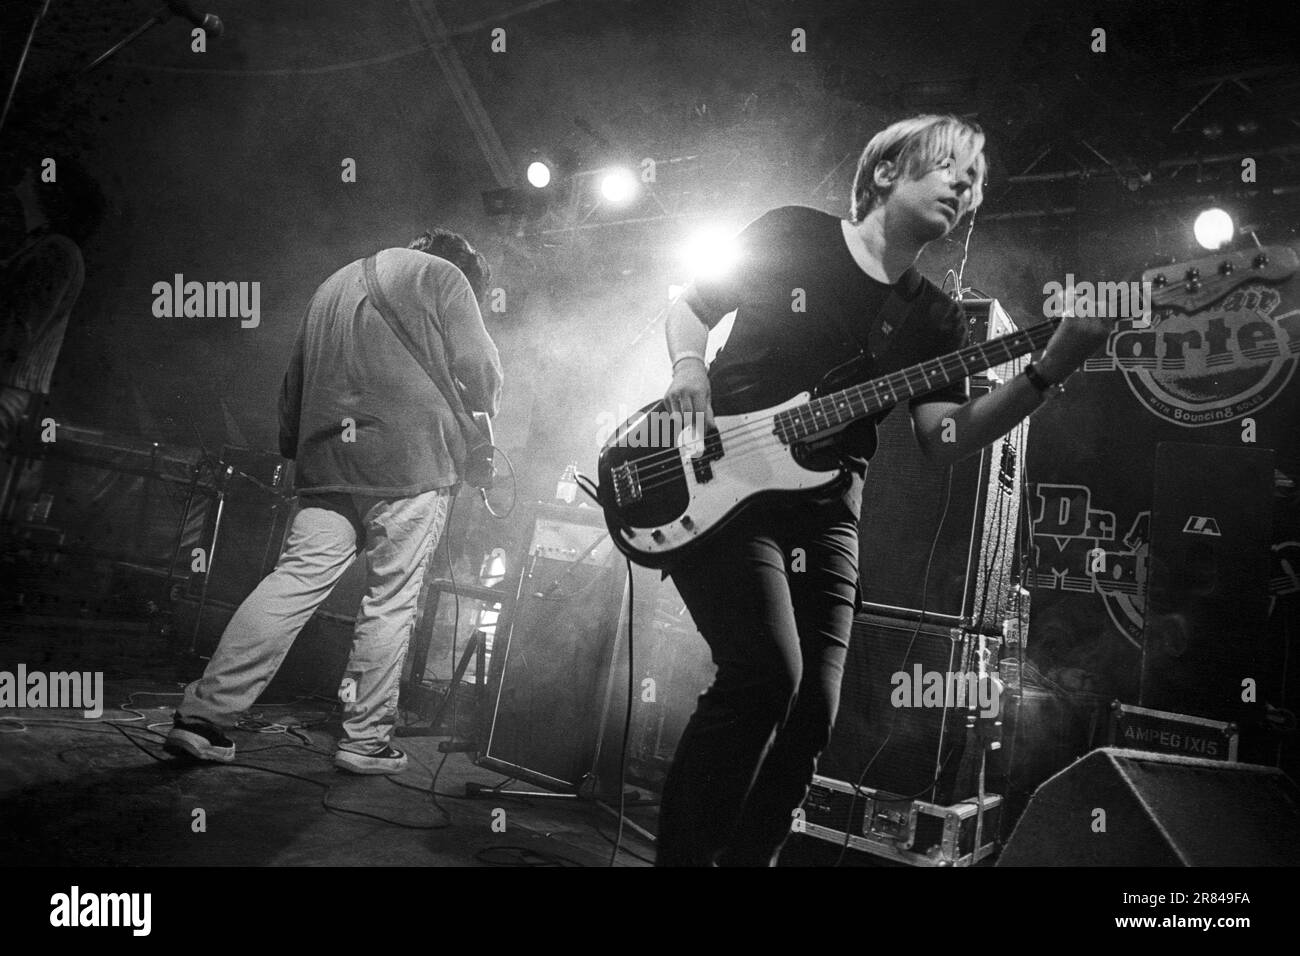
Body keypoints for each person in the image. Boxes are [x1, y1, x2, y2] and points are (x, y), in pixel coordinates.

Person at [656, 114, 1109, 865]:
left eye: (976, 182)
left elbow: (948, 440)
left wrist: (1046, 370)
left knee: (812, 716)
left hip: (827, 509)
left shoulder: (932, 316)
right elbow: (691, 307)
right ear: (887, 172)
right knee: (765, 676)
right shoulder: (793, 231)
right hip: (720, 480)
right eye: (950, 169)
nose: (967, 187)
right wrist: (687, 368)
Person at [166, 229, 503, 774]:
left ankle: (202, 718)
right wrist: (481, 419)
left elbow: (293, 383)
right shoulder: (447, 277)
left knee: (291, 582)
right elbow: (481, 370)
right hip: (409, 465)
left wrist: (296, 450)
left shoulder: (335, 282)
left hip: (326, 463)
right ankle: (364, 741)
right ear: (460, 267)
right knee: (390, 601)